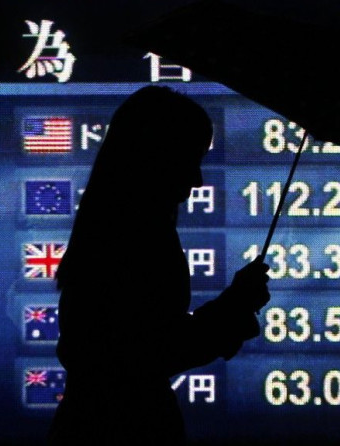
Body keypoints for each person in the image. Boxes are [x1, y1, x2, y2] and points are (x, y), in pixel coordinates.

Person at [47, 86, 270, 445]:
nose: (198, 180)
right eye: (190, 159)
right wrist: (236, 306)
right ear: (156, 157)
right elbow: (148, 353)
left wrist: (233, 305)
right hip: (125, 430)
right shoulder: (134, 235)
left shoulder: (109, 225)